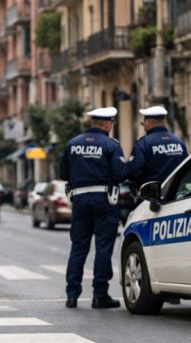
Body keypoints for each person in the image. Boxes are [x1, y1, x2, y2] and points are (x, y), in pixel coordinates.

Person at [60, 107, 129, 309]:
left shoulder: (72, 144)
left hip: (79, 201)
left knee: (78, 247)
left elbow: (63, 174)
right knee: (103, 247)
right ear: (108, 124)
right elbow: (120, 175)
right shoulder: (111, 145)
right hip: (104, 201)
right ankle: (100, 295)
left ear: (92, 123)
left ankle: (72, 295)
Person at [128, 105, 189, 190]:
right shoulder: (179, 142)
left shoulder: (143, 144)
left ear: (147, 123)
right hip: (176, 192)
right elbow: (188, 169)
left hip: (151, 193)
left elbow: (133, 172)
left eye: (143, 124)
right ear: (164, 122)